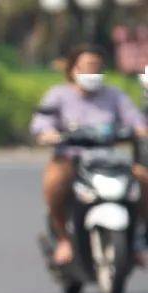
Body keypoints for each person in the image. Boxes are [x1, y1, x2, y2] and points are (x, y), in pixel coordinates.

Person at [31, 45, 148, 266]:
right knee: (54, 182)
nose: (92, 72)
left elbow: (135, 120)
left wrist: (140, 129)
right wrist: (49, 134)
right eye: (87, 67)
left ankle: (138, 239)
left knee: (143, 179)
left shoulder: (114, 95)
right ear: (73, 69)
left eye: (97, 67)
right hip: (70, 160)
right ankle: (64, 238)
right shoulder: (58, 95)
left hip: (107, 160)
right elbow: (41, 123)